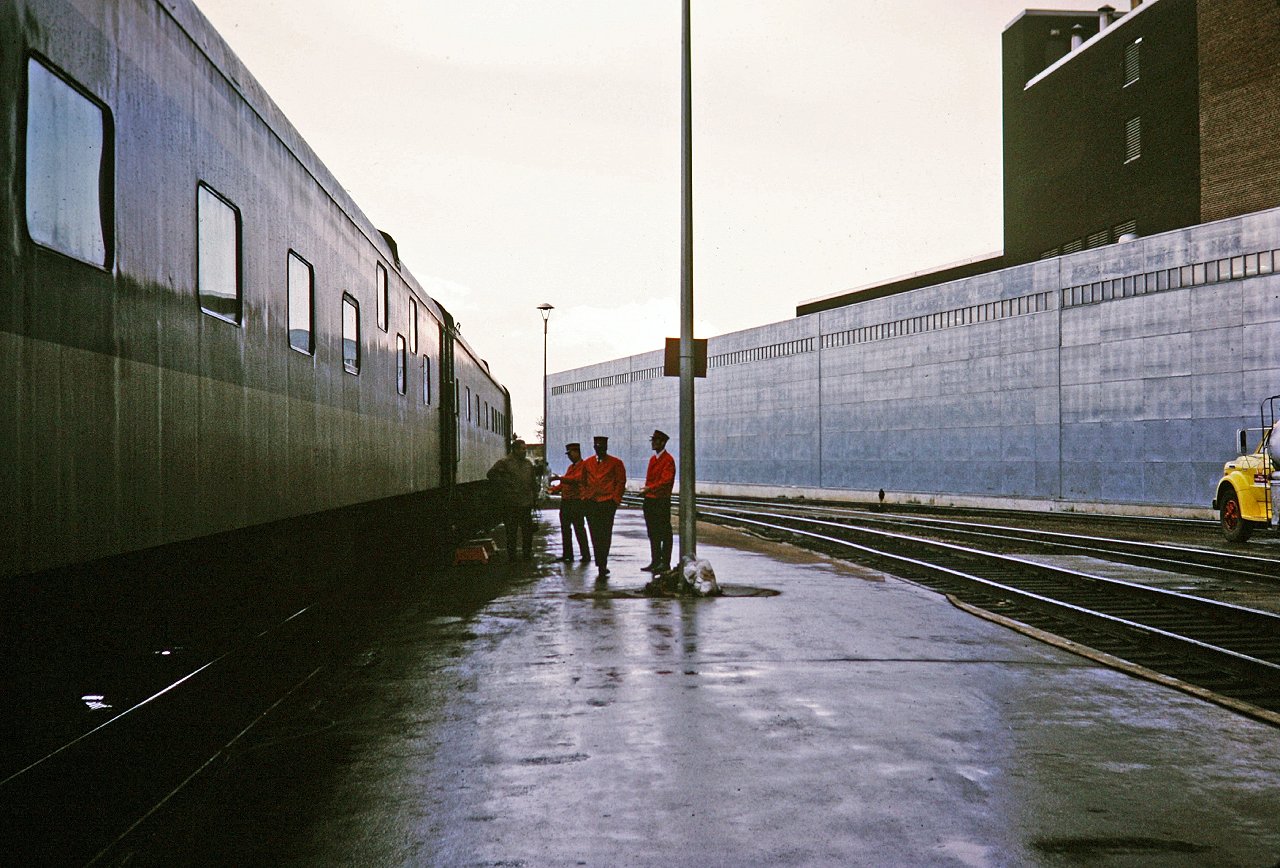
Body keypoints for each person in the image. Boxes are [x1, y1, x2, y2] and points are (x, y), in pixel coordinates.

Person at [580, 435, 626, 579]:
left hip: (607, 503)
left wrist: (615, 500)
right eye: (597, 446)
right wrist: (585, 497)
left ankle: (602, 563)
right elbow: (582, 482)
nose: (599, 448)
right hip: (592, 503)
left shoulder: (616, 463)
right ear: (594, 447)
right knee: (594, 534)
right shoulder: (587, 463)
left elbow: (620, 482)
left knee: (605, 534)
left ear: (606, 447)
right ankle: (600, 563)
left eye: (602, 446)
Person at [486, 439, 538, 561]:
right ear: (515, 449)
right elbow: (491, 474)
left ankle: (527, 553)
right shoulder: (504, 463)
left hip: (525, 502)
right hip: (511, 503)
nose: (524, 451)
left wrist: (534, 496)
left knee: (527, 530)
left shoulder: (528, 464)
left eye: (525, 449)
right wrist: (505, 486)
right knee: (511, 530)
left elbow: (532, 481)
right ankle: (512, 555)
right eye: (522, 449)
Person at [547, 442, 590, 563]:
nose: (569, 456)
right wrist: (553, 489)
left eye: (570, 454)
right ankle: (568, 554)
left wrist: (559, 478)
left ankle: (585, 555)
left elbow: (576, 479)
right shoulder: (571, 467)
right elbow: (564, 483)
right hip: (566, 502)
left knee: (579, 528)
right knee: (565, 529)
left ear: (577, 452)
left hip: (576, 502)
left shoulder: (583, 466)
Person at [640, 429, 675, 574]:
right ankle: (655, 561)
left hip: (661, 501)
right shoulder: (653, 459)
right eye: (652, 440)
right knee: (652, 533)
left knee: (664, 533)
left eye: (655, 440)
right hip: (650, 500)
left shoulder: (668, 460)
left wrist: (649, 489)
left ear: (662, 442)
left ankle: (664, 563)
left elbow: (666, 481)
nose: (653, 443)